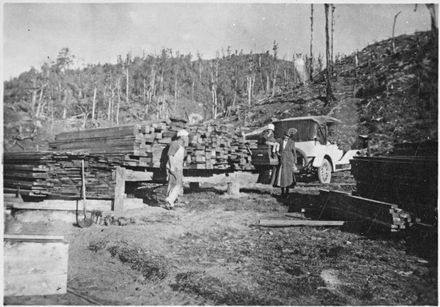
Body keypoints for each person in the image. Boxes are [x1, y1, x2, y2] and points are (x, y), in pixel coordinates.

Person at [165, 129, 189, 209]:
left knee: (178, 184)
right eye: (186, 136)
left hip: (178, 168)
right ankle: (169, 201)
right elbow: (170, 155)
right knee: (173, 184)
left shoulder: (181, 146)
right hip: (173, 167)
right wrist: (172, 168)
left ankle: (171, 201)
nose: (187, 138)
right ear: (181, 136)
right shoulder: (174, 144)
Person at [274, 128, 298, 197]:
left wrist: (295, 160)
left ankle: (287, 192)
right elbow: (277, 149)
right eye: (285, 135)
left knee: (288, 176)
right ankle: (282, 191)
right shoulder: (280, 141)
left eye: (287, 136)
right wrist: (278, 154)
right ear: (284, 135)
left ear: (289, 136)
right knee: (282, 175)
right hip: (282, 160)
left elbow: (294, 152)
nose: (286, 137)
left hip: (289, 160)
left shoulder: (292, 142)